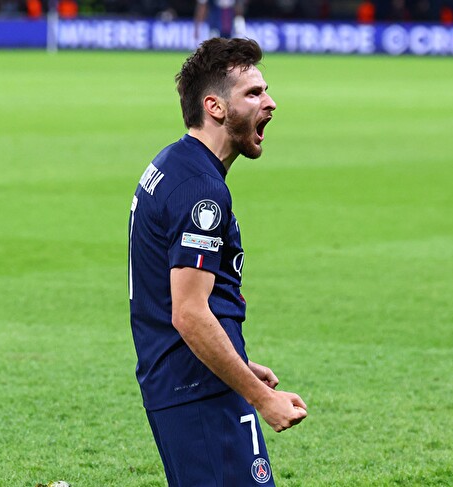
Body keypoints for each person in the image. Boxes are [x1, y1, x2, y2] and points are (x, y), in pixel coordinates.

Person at [127, 38, 307, 486]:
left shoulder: (173, 163)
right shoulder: (200, 190)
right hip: (197, 391)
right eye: (254, 93)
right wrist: (261, 398)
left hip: (188, 381)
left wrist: (239, 364)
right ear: (215, 107)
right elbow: (188, 313)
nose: (270, 103)